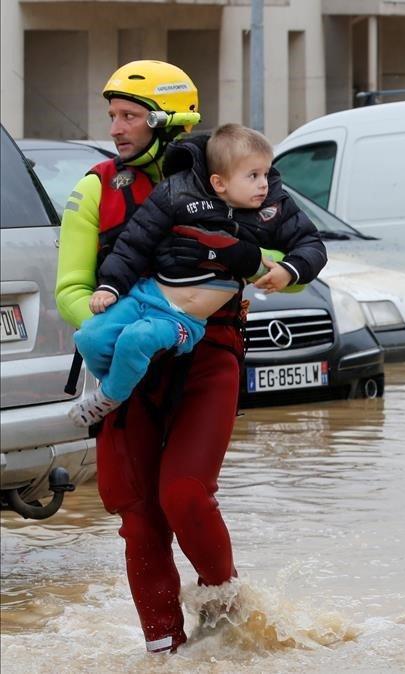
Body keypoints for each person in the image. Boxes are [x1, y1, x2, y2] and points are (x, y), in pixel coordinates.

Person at [54, 60, 286, 654]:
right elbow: (70, 292)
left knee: (183, 494)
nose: (116, 127)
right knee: (138, 514)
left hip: (208, 357)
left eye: (129, 115)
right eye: (112, 116)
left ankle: (225, 618)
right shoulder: (95, 187)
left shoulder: (234, 174)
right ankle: (165, 651)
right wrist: (126, 323)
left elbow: (295, 260)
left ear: (168, 120)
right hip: (129, 367)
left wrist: (258, 266)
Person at [69, 122, 326, 427]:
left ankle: (111, 396)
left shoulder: (274, 208)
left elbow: (312, 246)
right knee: (89, 338)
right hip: (145, 295)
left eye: (267, 173)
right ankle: (120, 383)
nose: (264, 185)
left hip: (183, 321)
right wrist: (110, 286)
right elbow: (135, 243)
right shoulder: (178, 193)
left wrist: (288, 270)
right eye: (253, 176)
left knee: (135, 340)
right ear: (219, 182)